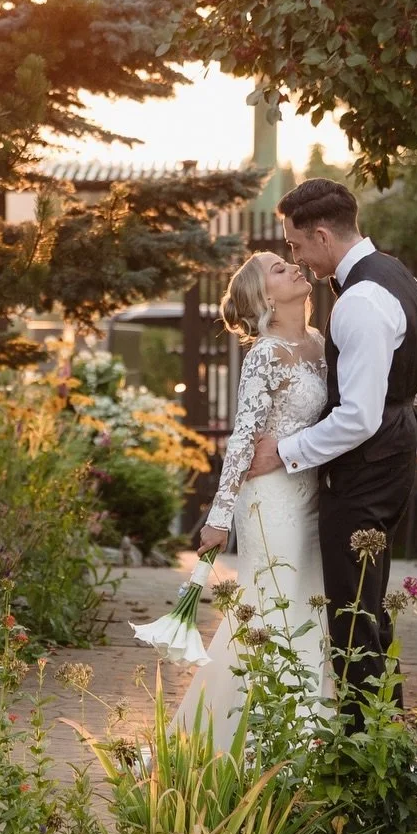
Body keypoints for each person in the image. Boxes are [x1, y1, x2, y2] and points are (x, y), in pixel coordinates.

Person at [244, 177, 417, 710]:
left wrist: (282, 451)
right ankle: (386, 736)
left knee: (351, 616)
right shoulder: (403, 280)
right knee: (368, 604)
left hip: (366, 471)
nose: (297, 257)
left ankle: (364, 754)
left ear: (323, 236)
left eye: (297, 245)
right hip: (397, 456)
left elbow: (357, 418)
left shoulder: (359, 302)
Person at [174, 248, 331, 740]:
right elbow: (243, 438)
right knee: (273, 608)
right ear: (264, 295)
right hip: (270, 502)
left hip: (311, 494)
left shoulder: (320, 342)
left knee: (310, 605)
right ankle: (256, 739)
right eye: (279, 269)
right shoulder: (265, 354)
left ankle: (308, 730)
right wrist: (218, 518)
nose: (295, 267)